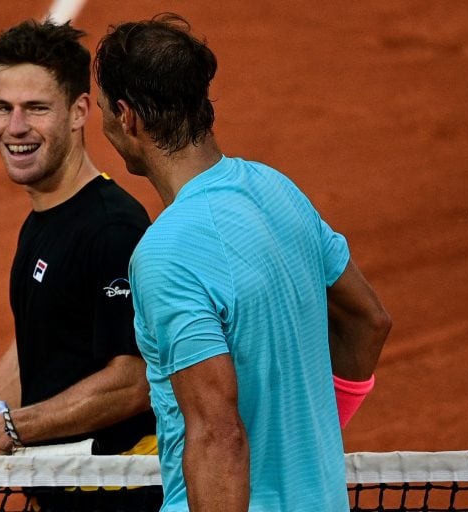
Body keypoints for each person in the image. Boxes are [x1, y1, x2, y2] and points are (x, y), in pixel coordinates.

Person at [94, 13, 392, 511]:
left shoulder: (166, 252)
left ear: (128, 117)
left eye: (104, 109)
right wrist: (302, 441)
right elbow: (369, 322)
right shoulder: (278, 190)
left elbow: (217, 436)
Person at [0, 17, 159, 512]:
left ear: (78, 113)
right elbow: (37, 341)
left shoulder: (112, 230)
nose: (14, 128)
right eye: (2, 108)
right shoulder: (44, 220)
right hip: (62, 494)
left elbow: (132, 381)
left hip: (120, 496)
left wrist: (4, 432)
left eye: (36, 109)